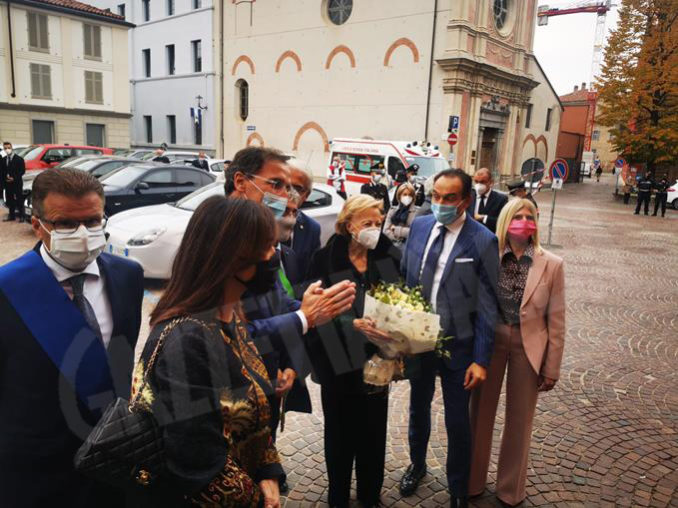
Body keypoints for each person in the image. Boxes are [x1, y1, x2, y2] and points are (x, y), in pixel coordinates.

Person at [0, 168, 144, 507]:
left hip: (110, 457)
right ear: (38, 225)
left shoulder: (128, 275)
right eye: (66, 224)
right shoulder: (8, 288)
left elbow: (121, 359)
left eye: (93, 221)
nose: (83, 233)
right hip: (33, 470)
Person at [135, 196, 284, 507]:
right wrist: (258, 500)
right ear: (232, 257)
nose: (275, 257)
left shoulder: (231, 315)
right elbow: (196, 464)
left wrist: (268, 470)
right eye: (267, 247)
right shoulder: (187, 339)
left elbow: (254, 411)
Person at [225, 146, 356, 492]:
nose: (288, 197)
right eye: (278, 185)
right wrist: (304, 316)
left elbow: (281, 303)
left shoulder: (267, 239)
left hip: (267, 383)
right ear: (241, 182)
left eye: (294, 191)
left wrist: (293, 354)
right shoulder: (218, 239)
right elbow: (230, 334)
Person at [399, 169, 499, 507]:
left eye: (449, 198)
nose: (440, 204)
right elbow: (406, 278)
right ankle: (417, 464)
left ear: (466, 200)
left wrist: (481, 360)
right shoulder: (421, 225)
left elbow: (488, 306)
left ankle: (458, 488)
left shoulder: (483, 240)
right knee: (417, 408)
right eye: (436, 196)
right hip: (419, 340)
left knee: (457, 421)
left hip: (460, 346)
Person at [305, 194, 401, 508]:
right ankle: (338, 496)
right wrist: (352, 324)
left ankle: (370, 494)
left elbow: (404, 305)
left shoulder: (389, 256)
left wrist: (393, 331)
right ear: (349, 225)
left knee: (373, 433)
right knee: (339, 433)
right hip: (336, 360)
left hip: (378, 360)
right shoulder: (324, 259)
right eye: (367, 223)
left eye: (378, 221)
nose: (375, 228)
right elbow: (313, 312)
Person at [469, 198, 565, 506]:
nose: (524, 220)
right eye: (518, 216)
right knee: (479, 413)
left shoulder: (551, 263)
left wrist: (552, 367)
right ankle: (471, 480)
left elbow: (558, 319)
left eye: (530, 216)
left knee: (520, 419)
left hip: (529, 345)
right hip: (491, 340)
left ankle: (510, 490)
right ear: (506, 220)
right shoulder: (488, 255)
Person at [287, 163, 322, 276]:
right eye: (283, 185)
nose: (288, 192)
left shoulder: (312, 228)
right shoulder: (259, 216)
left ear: (306, 195)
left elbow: (310, 273)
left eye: (297, 188)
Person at [472, 167, 508, 233]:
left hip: (490, 236)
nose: (479, 185)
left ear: (491, 182)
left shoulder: (501, 199)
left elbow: (503, 222)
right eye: (476, 182)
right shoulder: (469, 196)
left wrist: (484, 218)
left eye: (482, 182)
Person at [384, 182, 418, 247]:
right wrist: (400, 238)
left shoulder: (416, 212)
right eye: (405, 194)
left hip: (407, 247)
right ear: (399, 196)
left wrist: (395, 229)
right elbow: (385, 231)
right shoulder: (393, 210)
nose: (407, 197)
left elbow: (414, 232)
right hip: (392, 247)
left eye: (410, 195)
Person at [1, 141, 27, 222]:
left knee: (19, 199)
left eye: (8, 148)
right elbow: (2, 171)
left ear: (11, 148)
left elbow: (22, 171)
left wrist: (14, 178)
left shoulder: (19, 159)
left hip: (17, 183)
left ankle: (22, 216)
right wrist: (4, 180)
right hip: (7, 183)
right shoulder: (3, 159)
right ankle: (11, 216)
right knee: (10, 199)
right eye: (5, 148)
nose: (7, 149)